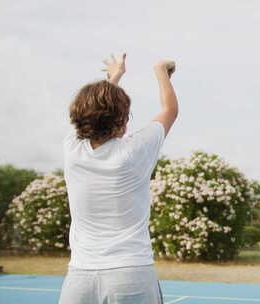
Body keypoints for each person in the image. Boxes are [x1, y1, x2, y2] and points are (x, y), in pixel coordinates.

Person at [58, 53, 178, 304]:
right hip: (130, 273)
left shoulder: (72, 150)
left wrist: (115, 77)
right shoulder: (133, 152)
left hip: (79, 278)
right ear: (122, 118)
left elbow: (94, 110)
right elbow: (169, 110)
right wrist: (160, 71)